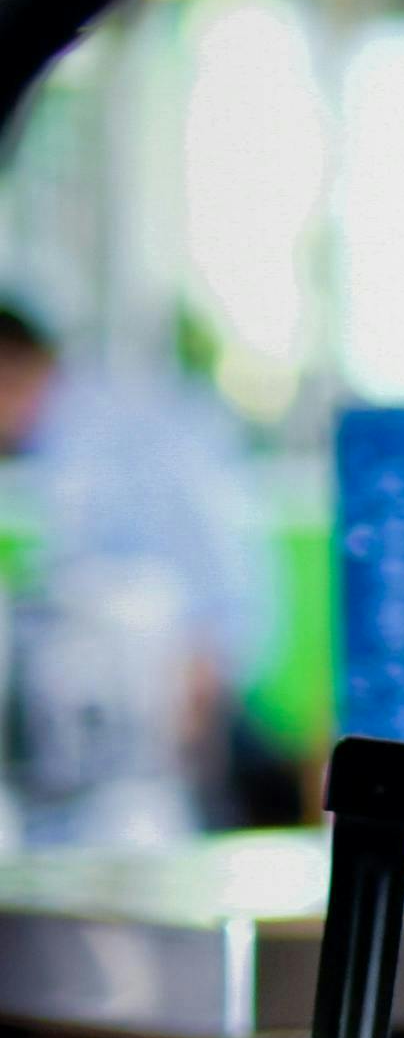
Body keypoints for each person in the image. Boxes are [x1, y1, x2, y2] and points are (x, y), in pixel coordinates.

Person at [0, 293, 273, 834]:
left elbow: (219, 588)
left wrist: (200, 679)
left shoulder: (119, 435)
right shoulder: (57, 446)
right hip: (89, 742)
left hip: (166, 728)